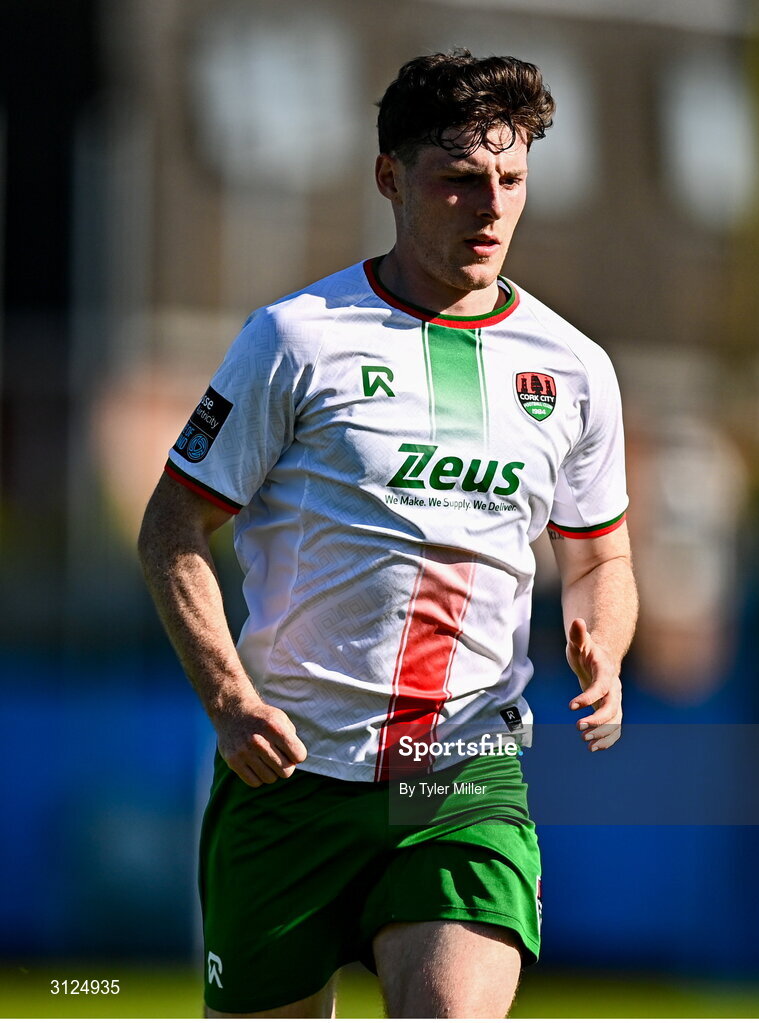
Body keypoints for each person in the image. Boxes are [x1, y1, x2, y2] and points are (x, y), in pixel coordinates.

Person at [138, 50, 638, 1019]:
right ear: (390, 178)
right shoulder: (296, 338)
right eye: (458, 180)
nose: (489, 208)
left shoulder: (574, 367)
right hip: (289, 770)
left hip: (460, 772)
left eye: (510, 180)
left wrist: (605, 650)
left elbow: (600, 554)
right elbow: (172, 527)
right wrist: (230, 700)